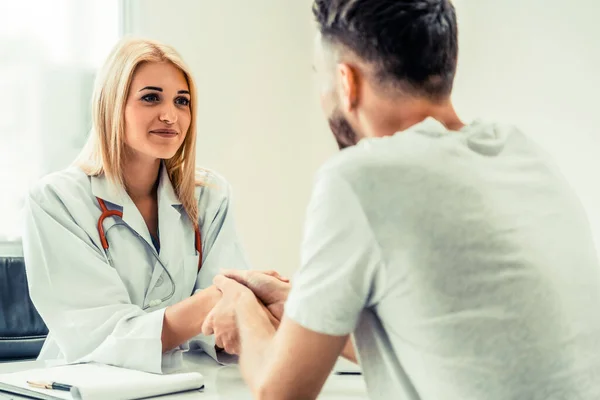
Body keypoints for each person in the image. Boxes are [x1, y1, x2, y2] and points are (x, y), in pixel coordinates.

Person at [202, 0, 600, 399]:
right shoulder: (522, 153)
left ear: (346, 82)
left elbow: (279, 392)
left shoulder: (360, 178)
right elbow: (445, 342)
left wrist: (241, 305)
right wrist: (298, 307)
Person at [22, 37, 257, 373]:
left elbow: (226, 322)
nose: (170, 115)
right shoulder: (56, 200)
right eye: (150, 98)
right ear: (112, 105)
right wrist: (220, 298)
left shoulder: (210, 195)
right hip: (87, 383)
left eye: (182, 101)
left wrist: (243, 307)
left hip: (188, 381)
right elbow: (101, 335)